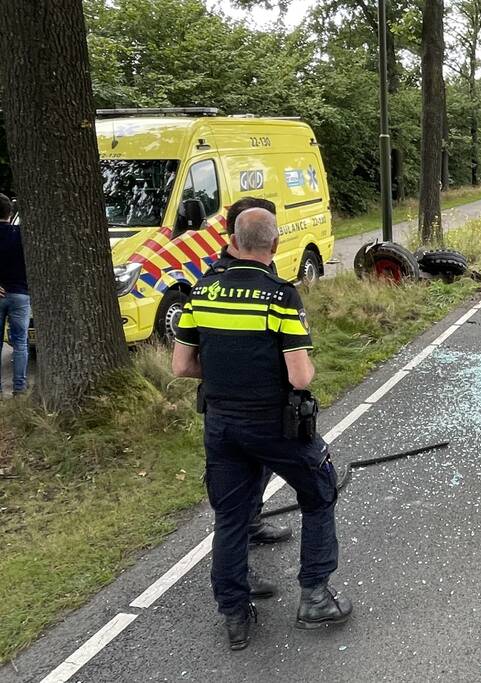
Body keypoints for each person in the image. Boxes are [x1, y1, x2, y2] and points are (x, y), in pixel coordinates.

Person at [172, 208, 351, 650]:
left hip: (221, 423)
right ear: (273, 247)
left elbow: (182, 365)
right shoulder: (280, 296)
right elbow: (300, 377)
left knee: (231, 516)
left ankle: (234, 612)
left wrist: (225, 378)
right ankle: (314, 596)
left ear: (233, 240)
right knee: (320, 491)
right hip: (275, 424)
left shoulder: (202, 290)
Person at [211, 198, 293, 598]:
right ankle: (236, 577)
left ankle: (254, 522)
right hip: (235, 402)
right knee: (234, 498)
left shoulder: (261, 265)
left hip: (256, 400)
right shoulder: (218, 277)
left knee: (257, 474)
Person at [0, 193, 30, 396]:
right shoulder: (22, 235)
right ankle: (20, 389)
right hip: (21, 293)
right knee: (20, 343)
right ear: (10, 212)